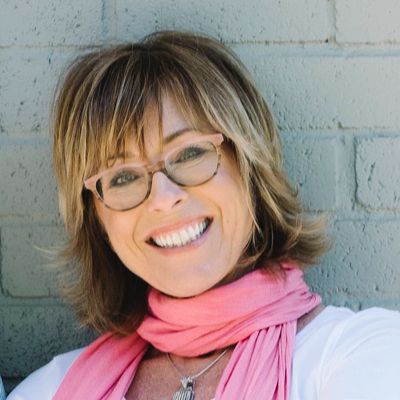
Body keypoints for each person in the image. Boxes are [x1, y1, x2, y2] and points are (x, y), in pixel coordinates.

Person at [7, 31, 400, 400]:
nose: (163, 198)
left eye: (190, 153)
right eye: (123, 177)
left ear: (248, 165)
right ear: (97, 219)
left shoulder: (359, 356)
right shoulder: (51, 389)